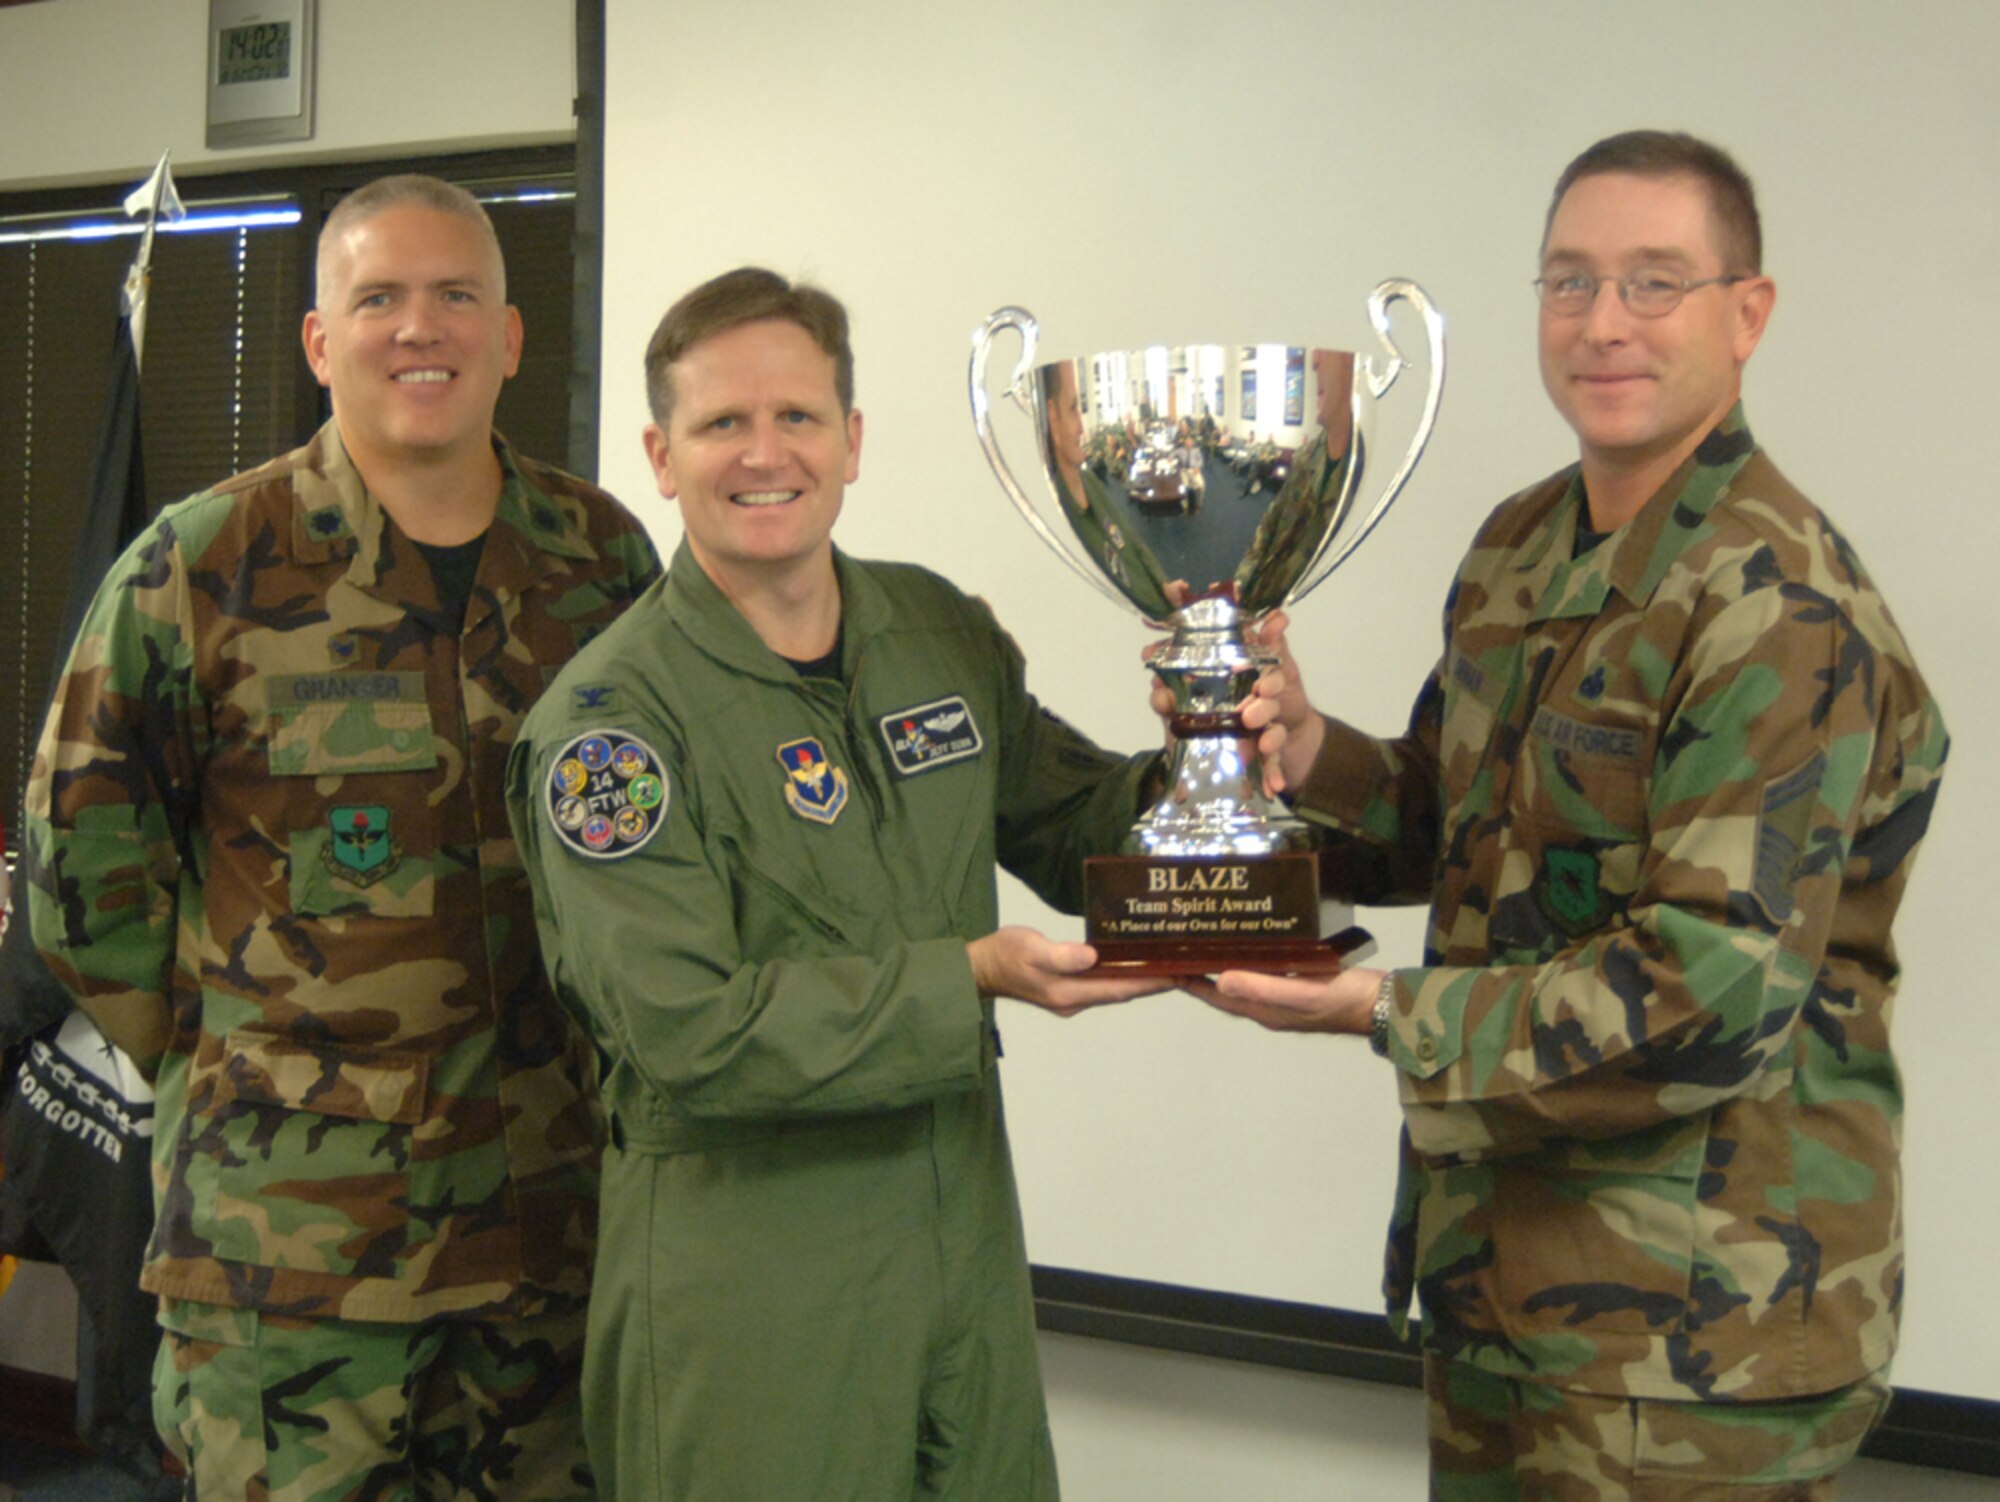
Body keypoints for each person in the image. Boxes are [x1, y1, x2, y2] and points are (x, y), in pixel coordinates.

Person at [1189, 131, 1949, 1498]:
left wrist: (1378, 1011)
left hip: (1693, 1344)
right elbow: (1450, 824)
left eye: (1655, 282)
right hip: (1503, 1291)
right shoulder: (1522, 544)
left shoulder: (1779, 608)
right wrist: (1307, 751)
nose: (1604, 323)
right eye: (1569, 281)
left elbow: (1709, 991)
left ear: (1748, 312)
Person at [23, 173, 661, 1500]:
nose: (418, 327)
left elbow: (650, 836)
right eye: (379, 297)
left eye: (455, 296)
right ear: (321, 341)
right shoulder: (198, 567)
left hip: (547, 1232)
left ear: (509, 336)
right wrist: (232, 1053)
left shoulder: (599, 563)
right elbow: (81, 873)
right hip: (289, 1258)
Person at [504, 267, 1170, 1500]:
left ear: (851, 440)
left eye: (798, 417)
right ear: (660, 454)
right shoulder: (611, 730)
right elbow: (687, 1027)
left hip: (958, 1243)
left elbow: (1079, 822)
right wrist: (967, 975)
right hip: (752, 1280)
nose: (765, 454)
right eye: (721, 424)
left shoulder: (934, 632)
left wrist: (1224, 752)